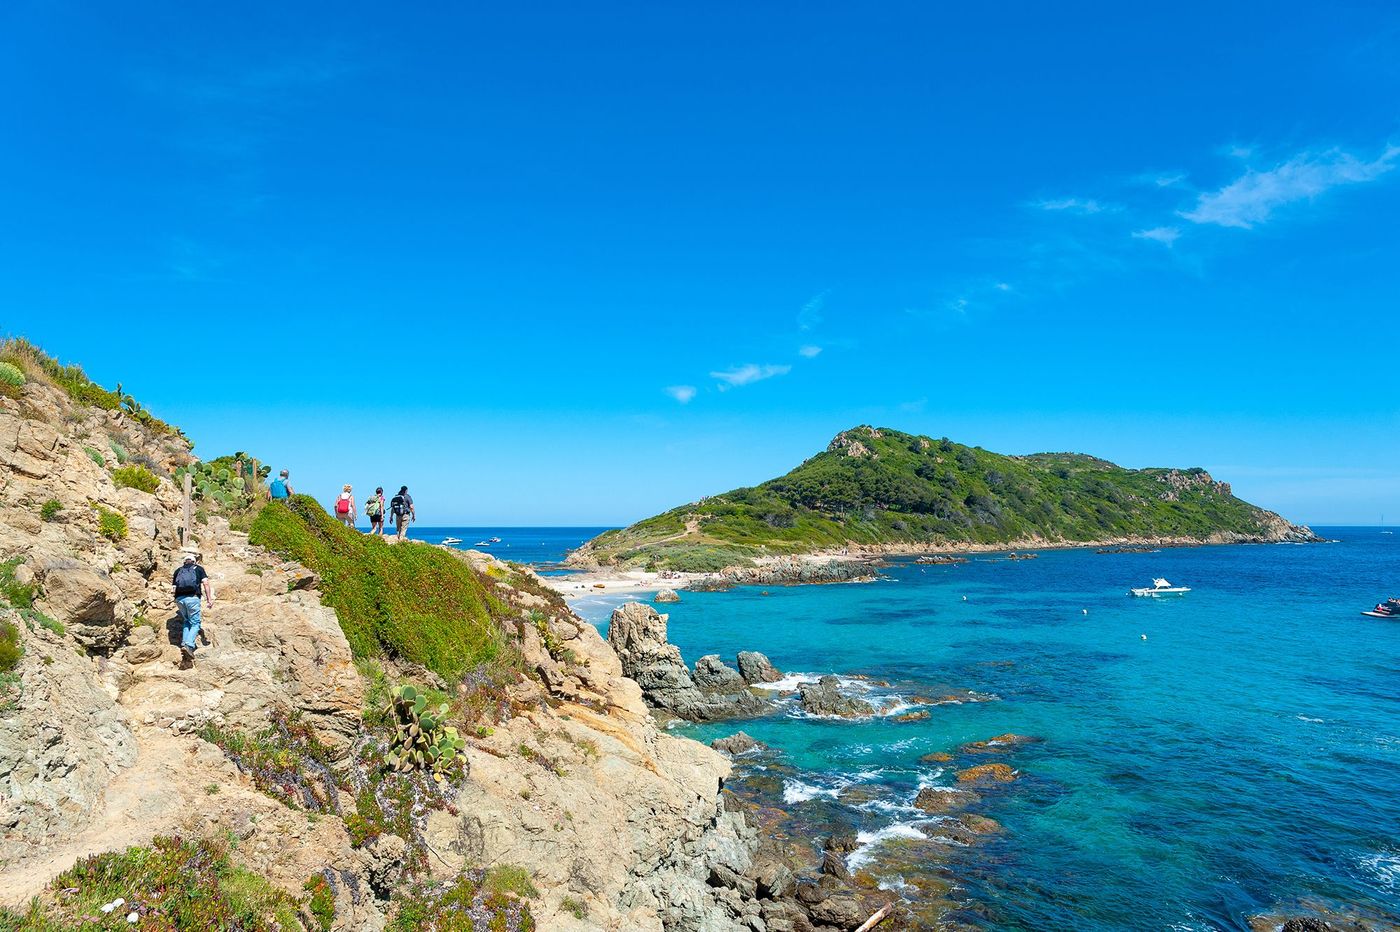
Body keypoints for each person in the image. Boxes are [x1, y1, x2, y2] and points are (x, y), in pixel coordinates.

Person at [173, 549, 213, 669]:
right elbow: (206, 583)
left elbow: (174, 588)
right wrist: (209, 599)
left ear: (185, 561)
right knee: (195, 623)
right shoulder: (198, 569)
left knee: (187, 621)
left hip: (179, 599)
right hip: (192, 598)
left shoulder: (178, 570)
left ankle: (184, 644)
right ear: (194, 562)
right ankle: (189, 645)